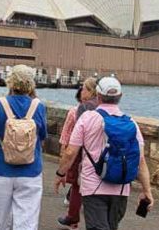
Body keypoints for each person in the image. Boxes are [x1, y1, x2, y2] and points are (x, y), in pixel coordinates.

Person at [54, 77, 154, 230]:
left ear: (98, 96)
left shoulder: (87, 118)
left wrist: (60, 174)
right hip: (121, 189)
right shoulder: (131, 123)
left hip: (93, 187)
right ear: (120, 97)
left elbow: (70, 152)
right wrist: (147, 191)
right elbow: (140, 161)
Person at [0, 65, 47, 230]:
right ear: (30, 84)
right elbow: (42, 140)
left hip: (1, 170)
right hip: (30, 171)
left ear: (10, 82)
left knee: (0, 221)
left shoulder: (0, 104)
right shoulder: (38, 106)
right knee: (26, 222)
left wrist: (4, 143)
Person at [57, 78, 99, 229]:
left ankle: (73, 217)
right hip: (99, 154)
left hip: (81, 153)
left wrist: (62, 164)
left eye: (84, 88)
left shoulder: (80, 109)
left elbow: (69, 136)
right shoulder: (102, 108)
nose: (81, 91)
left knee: (77, 186)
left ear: (91, 91)